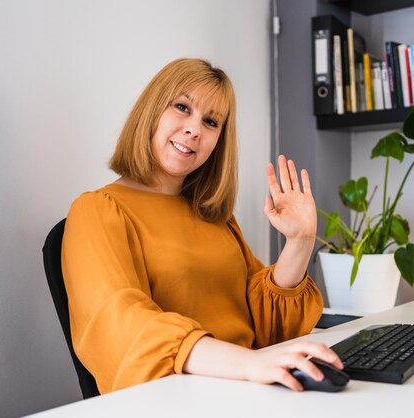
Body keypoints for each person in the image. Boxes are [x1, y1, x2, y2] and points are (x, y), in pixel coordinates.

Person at [61, 58, 342, 394]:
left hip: (252, 389)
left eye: (211, 122)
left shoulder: (215, 218)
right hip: (179, 398)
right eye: (182, 107)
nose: (194, 129)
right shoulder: (97, 210)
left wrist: (300, 240)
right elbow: (121, 323)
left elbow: (270, 328)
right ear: (151, 111)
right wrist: (248, 364)